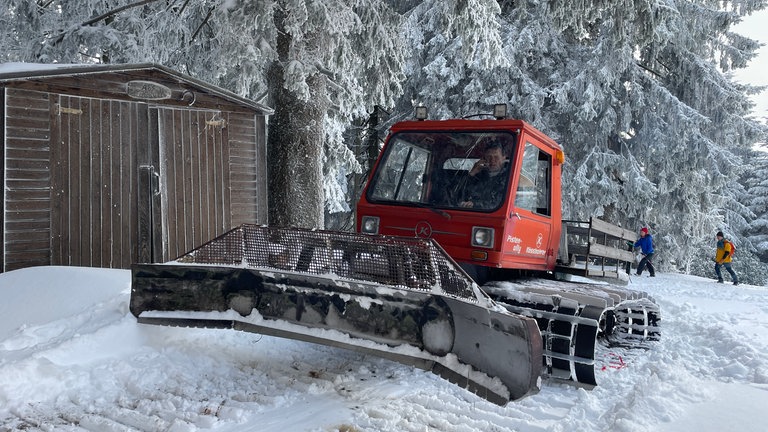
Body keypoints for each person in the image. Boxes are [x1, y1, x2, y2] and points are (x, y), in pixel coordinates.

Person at [459, 141, 508, 209]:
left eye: (496, 157)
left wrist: (475, 204)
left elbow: (497, 203)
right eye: (489, 157)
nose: (492, 160)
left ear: (503, 158)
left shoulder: (508, 177)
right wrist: (472, 173)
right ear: (484, 158)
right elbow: (457, 194)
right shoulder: (479, 176)